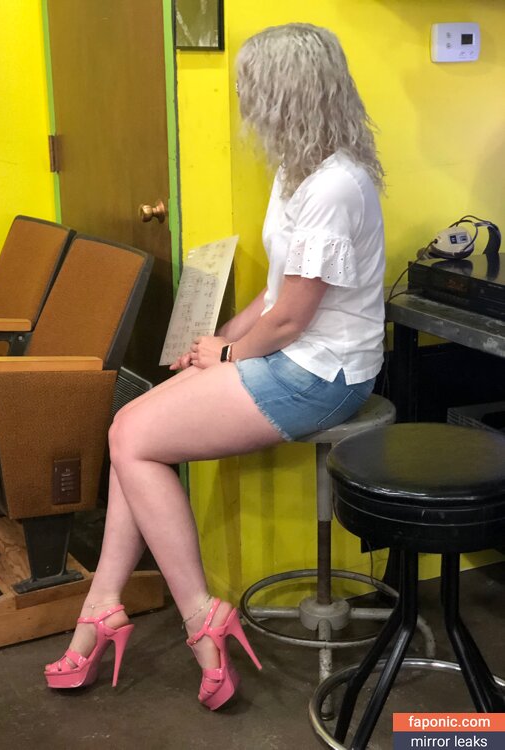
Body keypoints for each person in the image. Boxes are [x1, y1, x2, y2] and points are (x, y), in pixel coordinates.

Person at [44, 23, 386, 711]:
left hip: (324, 375)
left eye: (251, 92)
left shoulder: (335, 186)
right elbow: (276, 293)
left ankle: (198, 617)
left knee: (131, 436)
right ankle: (104, 608)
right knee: (134, 432)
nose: (245, 106)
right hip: (291, 353)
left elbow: (291, 318)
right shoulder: (296, 171)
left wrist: (226, 356)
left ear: (285, 95)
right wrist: (216, 339)